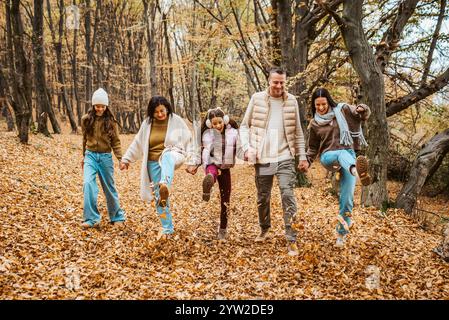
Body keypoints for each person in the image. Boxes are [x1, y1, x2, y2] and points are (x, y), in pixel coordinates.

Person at [239, 67, 309, 256]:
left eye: (282, 82)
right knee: (263, 197)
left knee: (288, 194)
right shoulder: (257, 99)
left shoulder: (292, 101)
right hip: (263, 158)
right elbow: (244, 126)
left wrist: (302, 156)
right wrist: (247, 148)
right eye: (275, 82)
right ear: (268, 81)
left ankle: (291, 238)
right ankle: (264, 228)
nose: (278, 86)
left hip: (285, 156)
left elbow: (298, 132)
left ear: (285, 82)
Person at [120, 95, 198, 239]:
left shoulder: (176, 121)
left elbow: (190, 141)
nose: (160, 114)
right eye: (156, 112)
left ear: (167, 108)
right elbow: (137, 143)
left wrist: (192, 161)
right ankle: (167, 227)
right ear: (152, 112)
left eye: (162, 111)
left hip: (174, 154)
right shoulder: (147, 123)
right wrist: (126, 159)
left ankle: (165, 184)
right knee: (159, 198)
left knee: (168, 155)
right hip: (153, 162)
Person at [305, 87, 371, 248]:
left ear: (329, 101)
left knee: (347, 199)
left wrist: (363, 108)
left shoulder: (342, 110)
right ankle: (357, 171)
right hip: (329, 157)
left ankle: (341, 235)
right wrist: (306, 161)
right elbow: (313, 147)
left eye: (324, 104)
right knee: (341, 155)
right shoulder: (314, 123)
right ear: (314, 105)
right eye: (317, 105)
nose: (321, 108)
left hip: (348, 155)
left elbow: (361, 114)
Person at [81, 88, 126, 228]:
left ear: (106, 106)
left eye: (102, 106)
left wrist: (121, 158)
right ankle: (91, 219)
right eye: (97, 106)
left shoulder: (111, 121)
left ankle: (117, 216)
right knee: (87, 184)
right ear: (93, 105)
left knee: (109, 187)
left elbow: (116, 142)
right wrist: (83, 156)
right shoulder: (86, 119)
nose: (100, 108)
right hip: (90, 156)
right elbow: (84, 138)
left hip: (106, 157)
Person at [200, 107, 241, 240]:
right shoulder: (207, 135)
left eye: (219, 122)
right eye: (214, 123)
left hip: (225, 168)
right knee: (211, 172)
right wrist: (194, 165)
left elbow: (241, 147)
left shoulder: (234, 133)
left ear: (225, 120)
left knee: (225, 200)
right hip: (211, 164)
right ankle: (210, 181)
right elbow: (200, 150)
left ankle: (223, 229)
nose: (217, 126)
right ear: (209, 124)